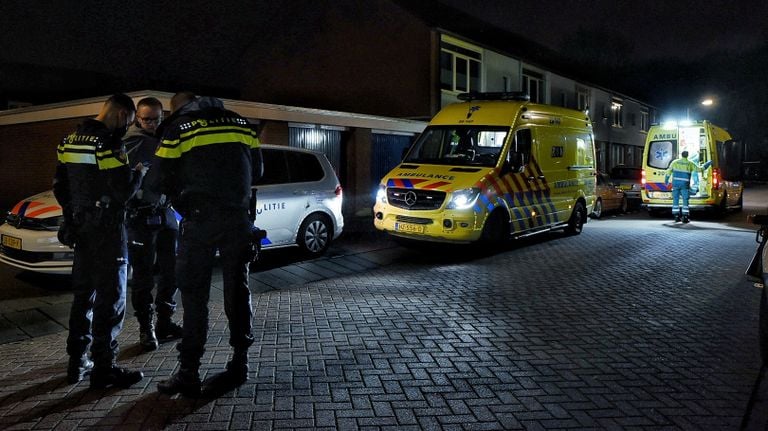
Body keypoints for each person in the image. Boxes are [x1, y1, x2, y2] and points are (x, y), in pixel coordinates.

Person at [151, 92, 263, 397]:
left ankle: (188, 373)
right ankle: (240, 364)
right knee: (238, 292)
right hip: (238, 221)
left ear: (178, 108)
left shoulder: (179, 128)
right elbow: (259, 170)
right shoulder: (241, 123)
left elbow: (156, 181)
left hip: (199, 223)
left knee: (194, 298)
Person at [53, 93, 146, 388]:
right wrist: (138, 174)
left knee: (83, 297)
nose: (126, 127)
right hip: (108, 232)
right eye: (129, 122)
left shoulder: (68, 141)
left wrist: (73, 217)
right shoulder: (109, 144)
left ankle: (76, 361)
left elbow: (59, 187)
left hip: (82, 228)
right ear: (121, 115)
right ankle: (104, 368)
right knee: (111, 300)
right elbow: (123, 192)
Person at [123, 97, 182, 351]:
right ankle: (146, 329)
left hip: (166, 215)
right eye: (146, 118)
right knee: (143, 277)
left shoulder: (167, 139)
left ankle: (165, 322)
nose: (151, 123)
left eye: (156, 118)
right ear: (137, 116)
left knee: (171, 272)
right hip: (139, 218)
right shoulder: (127, 144)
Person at [664, 150, 712, 223]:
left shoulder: (675, 162)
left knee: (675, 199)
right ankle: (685, 217)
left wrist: (666, 181)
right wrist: (708, 163)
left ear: (681, 155)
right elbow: (700, 169)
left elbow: (668, 172)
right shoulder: (690, 163)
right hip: (684, 185)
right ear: (687, 155)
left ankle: (676, 216)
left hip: (676, 184)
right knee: (685, 200)